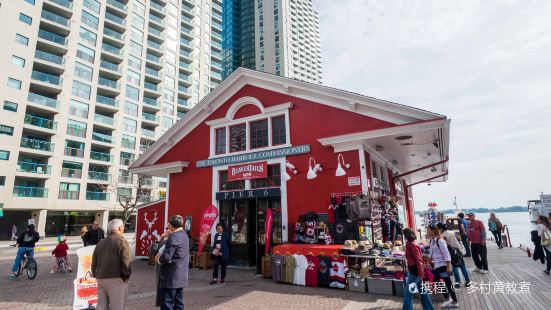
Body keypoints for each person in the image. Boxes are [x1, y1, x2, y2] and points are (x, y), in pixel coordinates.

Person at [92, 219, 132, 310]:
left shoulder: (101, 243)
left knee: (101, 307)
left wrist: (95, 274)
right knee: (117, 306)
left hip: (101, 278)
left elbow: (94, 261)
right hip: (116, 278)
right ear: (120, 228)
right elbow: (126, 260)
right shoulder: (121, 241)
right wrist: (126, 276)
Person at [156, 215, 189, 310]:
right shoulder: (184, 235)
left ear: (171, 225)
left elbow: (166, 257)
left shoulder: (173, 236)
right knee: (178, 304)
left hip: (171, 276)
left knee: (167, 303)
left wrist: (158, 258)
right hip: (181, 274)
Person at [427, 224, 459, 308]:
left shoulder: (440, 241)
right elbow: (431, 252)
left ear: (433, 231)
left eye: (428, 230)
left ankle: (451, 299)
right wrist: (428, 261)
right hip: (437, 265)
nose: (427, 232)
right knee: (445, 282)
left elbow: (446, 254)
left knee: (443, 281)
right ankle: (450, 299)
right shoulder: (431, 240)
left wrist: (448, 266)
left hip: (443, 265)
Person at [402, 228, 434, 310]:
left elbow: (419, 259)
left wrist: (420, 273)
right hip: (415, 271)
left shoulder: (412, 245)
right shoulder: (410, 244)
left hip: (415, 271)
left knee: (408, 292)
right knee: (422, 292)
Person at [436, 223, 471, 287]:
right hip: (459, 251)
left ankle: (458, 282)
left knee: (455, 268)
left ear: (440, 229)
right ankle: (467, 280)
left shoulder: (442, 235)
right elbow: (458, 239)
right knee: (462, 267)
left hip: (452, 253)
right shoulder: (452, 232)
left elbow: (444, 245)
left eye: (437, 229)